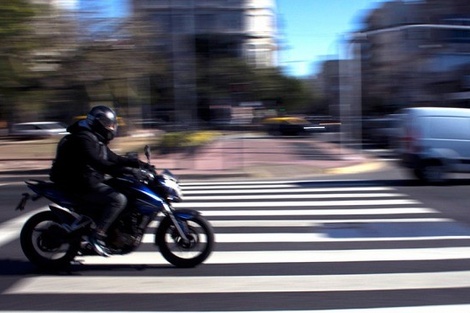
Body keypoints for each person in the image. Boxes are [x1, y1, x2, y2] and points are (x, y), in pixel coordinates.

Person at [50, 105, 145, 256]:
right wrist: (123, 169)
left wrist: (136, 163)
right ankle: (98, 234)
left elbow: (113, 158)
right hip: (78, 183)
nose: (111, 128)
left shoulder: (95, 137)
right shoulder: (83, 138)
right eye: (108, 124)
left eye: (112, 125)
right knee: (118, 200)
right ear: (98, 122)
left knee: (122, 188)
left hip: (88, 179)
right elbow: (98, 163)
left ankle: (111, 229)